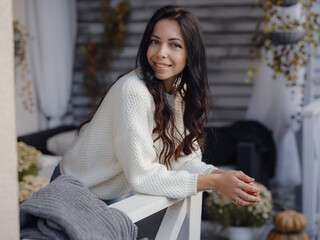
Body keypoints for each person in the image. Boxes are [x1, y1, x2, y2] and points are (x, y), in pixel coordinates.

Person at [53, 5, 261, 206]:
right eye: (155, 42)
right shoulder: (133, 91)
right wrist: (214, 183)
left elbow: (182, 162)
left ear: (189, 57)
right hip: (74, 192)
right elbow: (142, 177)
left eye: (175, 45)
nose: (161, 52)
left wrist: (224, 176)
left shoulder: (179, 89)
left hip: (110, 192)